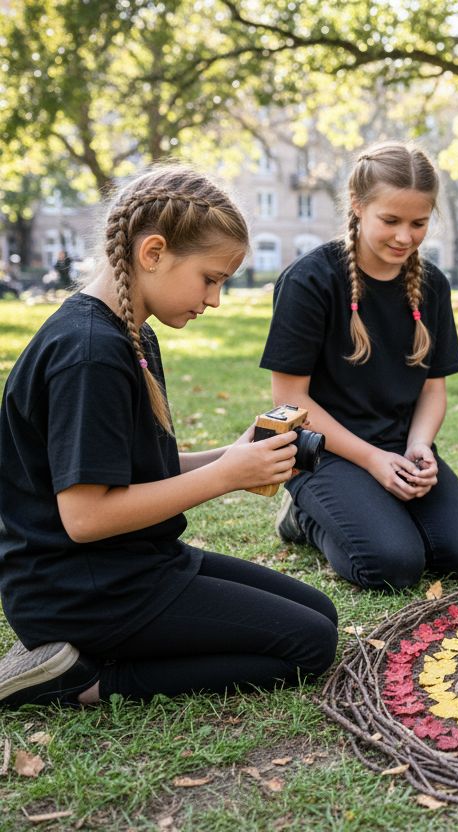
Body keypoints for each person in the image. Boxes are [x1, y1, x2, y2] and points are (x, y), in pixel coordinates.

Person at [0, 166, 338, 707]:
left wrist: (230, 453)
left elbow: (131, 468)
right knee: (311, 645)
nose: (216, 299)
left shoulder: (132, 333)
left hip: (136, 563)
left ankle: (99, 656)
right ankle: (82, 681)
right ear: (152, 253)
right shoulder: (89, 353)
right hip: (82, 592)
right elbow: (86, 518)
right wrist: (225, 477)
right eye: (210, 278)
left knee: (321, 613)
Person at [261, 141, 458, 591]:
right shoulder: (310, 281)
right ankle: (303, 515)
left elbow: (432, 388)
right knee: (393, 566)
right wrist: (371, 460)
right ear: (358, 207)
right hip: (322, 450)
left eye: (418, 223)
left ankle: (379, 508)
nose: (405, 236)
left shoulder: (432, 286)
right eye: (391, 221)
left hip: (398, 446)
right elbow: (288, 398)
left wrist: (420, 447)